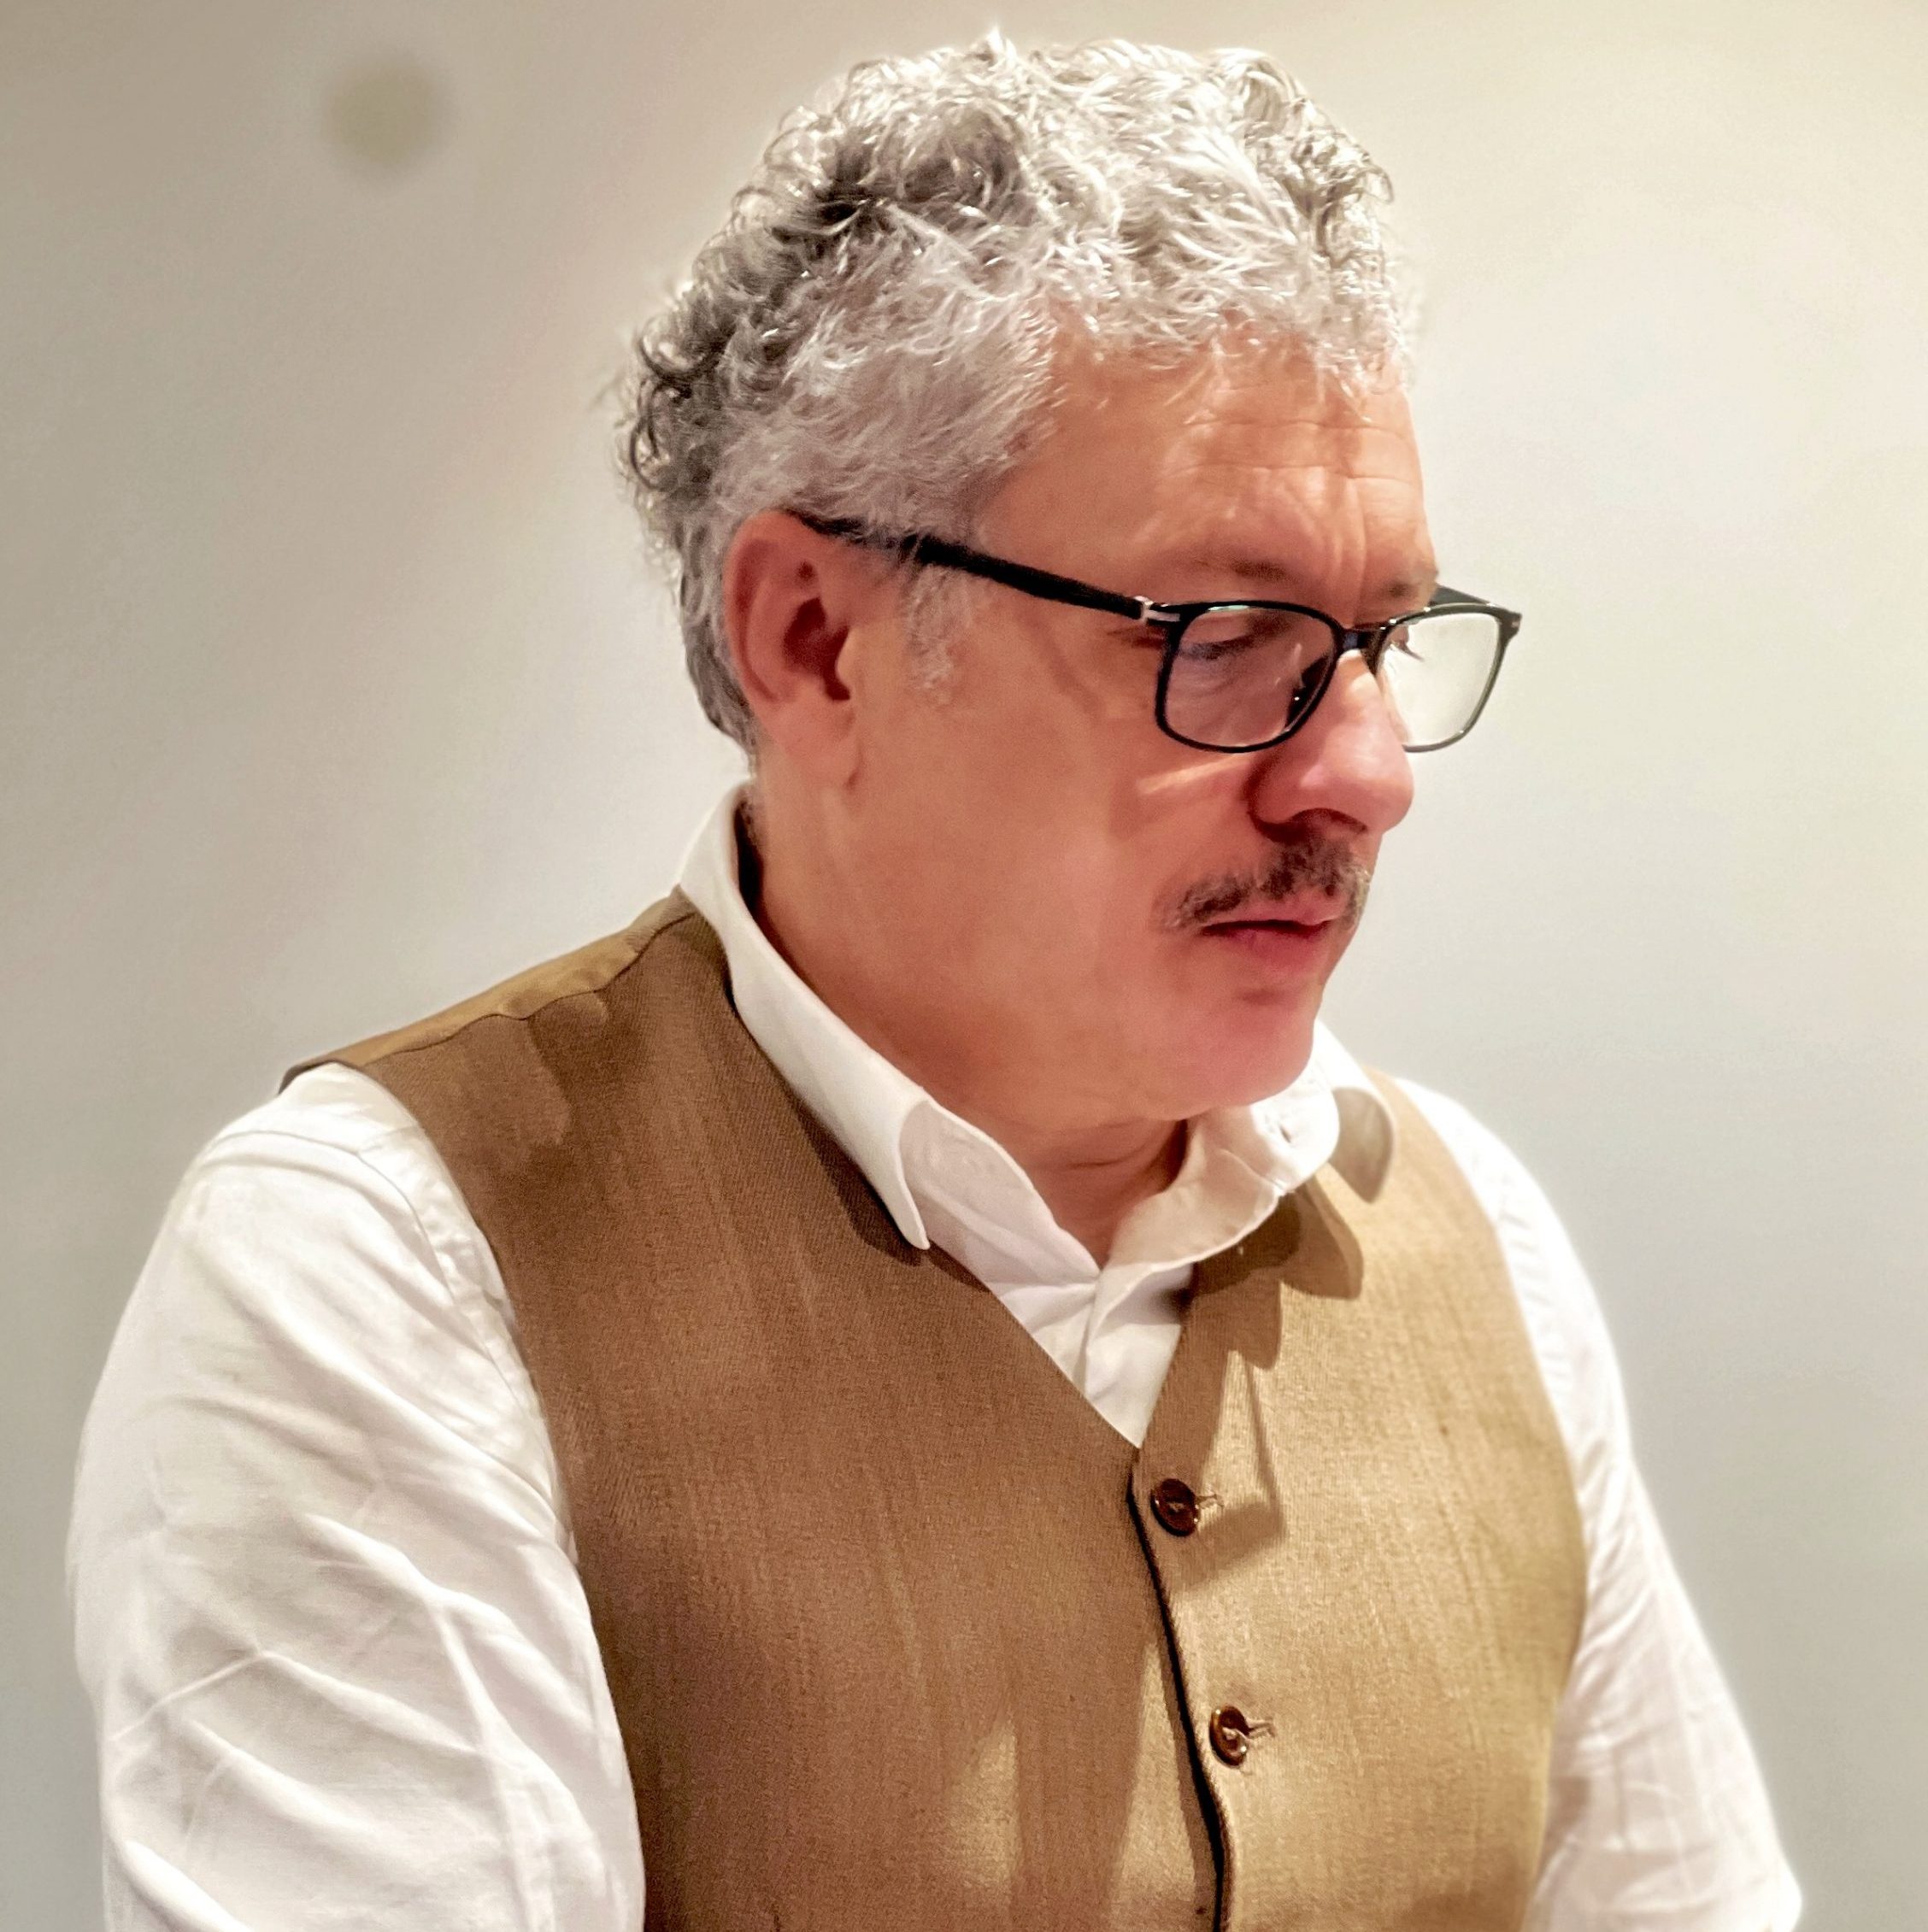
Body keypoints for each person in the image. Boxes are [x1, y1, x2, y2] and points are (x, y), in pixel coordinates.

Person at [69, 35, 1801, 1931]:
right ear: (817, 639)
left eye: (1382, 638)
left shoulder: (1484, 1246)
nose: (1367, 775)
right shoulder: (388, 1270)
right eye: (1230, 636)